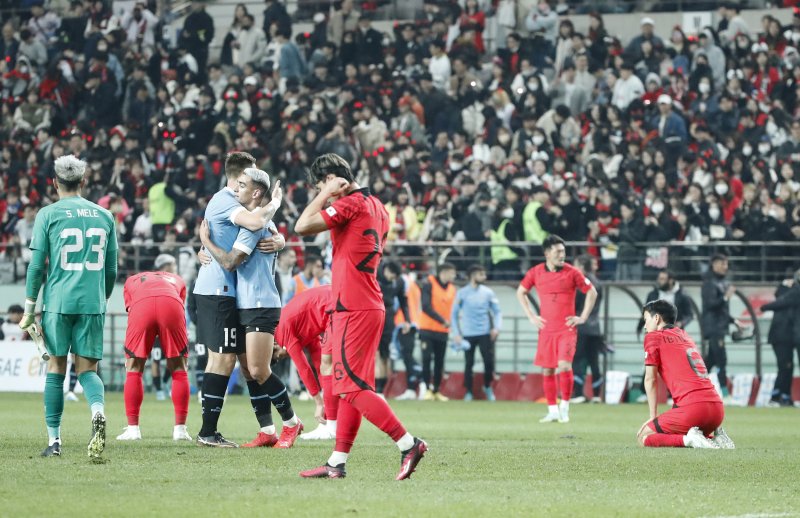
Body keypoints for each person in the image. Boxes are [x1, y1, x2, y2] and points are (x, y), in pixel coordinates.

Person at [294, 152, 427, 480]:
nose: (320, 192)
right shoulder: (378, 205)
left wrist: (325, 193)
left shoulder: (351, 202)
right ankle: (337, 462)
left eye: (320, 184)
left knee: (351, 389)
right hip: (365, 303)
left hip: (353, 306)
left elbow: (302, 226)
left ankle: (408, 444)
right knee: (351, 387)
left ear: (333, 179)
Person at [20, 154, 118, 458]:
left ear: (54, 183)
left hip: (58, 303)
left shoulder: (47, 214)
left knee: (56, 367)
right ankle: (98, 412)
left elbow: (36, 268)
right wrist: (100, 298)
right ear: (84, 182)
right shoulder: (105, 215)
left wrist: (28, 308)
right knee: (88, 369)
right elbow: (112, 269)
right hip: (92, 302)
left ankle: (54, 442)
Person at [198, 167, 301, 448]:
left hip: (260, 304)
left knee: (258, 370)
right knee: (248, 369)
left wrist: (205, 242)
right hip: (246, 303)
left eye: (241, 186)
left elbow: (231, 262)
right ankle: (267, 430)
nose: (235, 189)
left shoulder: (254, 227)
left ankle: (292, 423)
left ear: (256, 193)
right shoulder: (258, 223)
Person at [516, 234, 597, 424]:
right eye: (558, 251)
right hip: (546, 329)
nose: (562, 255)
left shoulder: (572, 272)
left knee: (564, 366)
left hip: (566, 329)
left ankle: (565, 407)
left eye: (564, 251)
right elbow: (521, 292)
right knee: (547, 370)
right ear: (547, 253)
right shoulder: (536, 272)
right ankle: (552, 410)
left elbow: (592, 292)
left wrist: (583, 317)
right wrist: (531, 316)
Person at [636, 300, 734, 449]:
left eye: (646, 320)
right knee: (675, 427)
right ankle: (714, 437)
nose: (645, 326)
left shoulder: (653, 337)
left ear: (656, 319)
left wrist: (653, 416)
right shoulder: (684, 335)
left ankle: (688, 440)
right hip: (717, 410)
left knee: (644, 436)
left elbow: (650, 380)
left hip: (693, 410)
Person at [116, 254, 192, 441]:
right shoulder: (178, 280)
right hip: (171, 304)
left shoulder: (132, 280)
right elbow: (179, 304)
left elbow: (131, 308)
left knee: (134, 368)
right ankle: (180, 430)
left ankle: (133, 430)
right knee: (179, 369)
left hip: (142, 305)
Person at [274, 285, 336, 441]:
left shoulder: (281, 331)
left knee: (338, 371)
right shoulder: (301, 324)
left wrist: (319, 403)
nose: (283, 356)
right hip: (336, 301)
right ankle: (328, 425)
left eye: (279, 356)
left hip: (334, 307)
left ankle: (332, 427)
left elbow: (304, 368)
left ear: (275, 346)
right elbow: (318, 361)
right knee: (329, 368)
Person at [451, 264, 502, 401]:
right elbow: (453, 314)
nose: (484, 277)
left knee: (489, 362)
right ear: (473, 276)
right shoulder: (462, 293)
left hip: (485, 333)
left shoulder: (488, 293)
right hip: (467, 335)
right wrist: (456, 333)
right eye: (481, 274)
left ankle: (488, 386)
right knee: (469, 363)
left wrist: (496, 328)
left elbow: (497, 312)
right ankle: (468, 391)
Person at [760, 269, 800, 407]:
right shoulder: (792, 292)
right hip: (781, 336)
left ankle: (784, 396)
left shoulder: (791, 293)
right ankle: (777, 397)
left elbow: (780, 299)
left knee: (787, 367)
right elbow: (780, 299)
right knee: (785, 367)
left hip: (787, 337)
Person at [418, 263, 457, 401]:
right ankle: (426, 388)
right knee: (427, 359)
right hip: (427, 329)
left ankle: (436, 390)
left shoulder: (452, 289)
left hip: (442, 331)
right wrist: (442, 320)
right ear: (444, 272)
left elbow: (453, 310)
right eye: (452, 272)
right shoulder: (429, 284)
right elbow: (426, 306)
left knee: (440, 362)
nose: (454, 275)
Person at [570, 255, 604, 404]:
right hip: (595, 327)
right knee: (594, 361)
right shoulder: (599, 283)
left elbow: (575, 305)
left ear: (582, 267)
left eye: (575, 265)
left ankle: (578, 394)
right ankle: (597, 395)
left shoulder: (581, 284)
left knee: (577, 359)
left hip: (581, 326)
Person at [701, 254, 735, 399]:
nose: (725, 267)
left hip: (719, 326)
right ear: (714, 265)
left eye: (726, 264)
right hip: (714, 327)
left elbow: (722, 310)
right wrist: (726, 297)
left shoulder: (721, 282)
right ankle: (724, 392)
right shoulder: (709, 283)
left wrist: (733, 321)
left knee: (710, 361)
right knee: (721, 359)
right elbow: (710, 305)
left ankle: (693, 389)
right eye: (722, 264)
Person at [376, 261, 411, 395]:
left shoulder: (399, 281)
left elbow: (403, 301)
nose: (394, 279)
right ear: (387, 270)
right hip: (371, 316)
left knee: (385, 355)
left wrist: (407, 320)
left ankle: (380, 390)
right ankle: (375, 389)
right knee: (376, 354)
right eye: (393, 276)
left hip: (388, 318)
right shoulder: (373, 276)